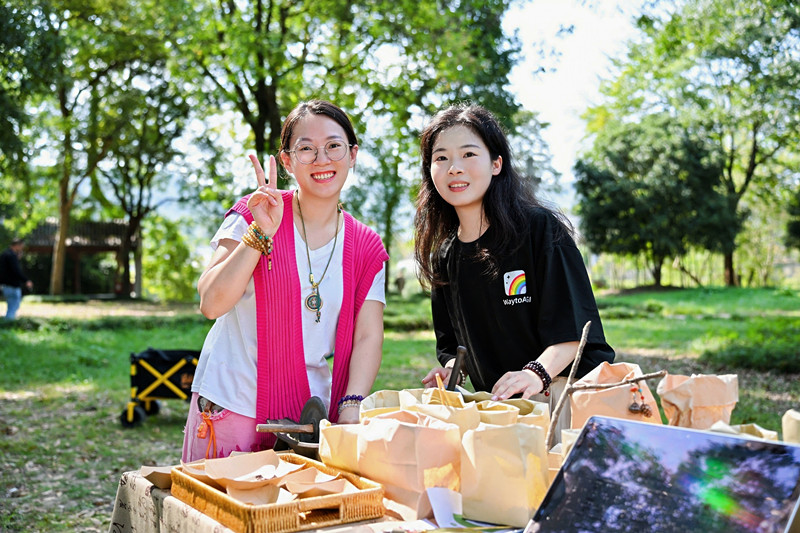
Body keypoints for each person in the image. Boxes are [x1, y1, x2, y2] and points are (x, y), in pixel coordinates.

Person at [182, 100, 389, 462]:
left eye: (334, 146)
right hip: (234, 405)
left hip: (310, 418)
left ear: (353, 154)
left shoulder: (365, 246)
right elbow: (211, 303)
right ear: (288, 161)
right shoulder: (253, 210)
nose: (322, 159)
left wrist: (352, 403)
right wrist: (260, 233)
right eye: (306, 149)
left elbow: (368, 335)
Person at [415, 103, 614, 436]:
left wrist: (534, 374)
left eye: (468, 154)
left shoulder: (539, 230)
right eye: (441, 158)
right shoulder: (445, 256)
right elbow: (453, 347)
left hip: (561, 401)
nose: (454, 168)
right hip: (498, 409)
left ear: (496, 164)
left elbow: (575, 334)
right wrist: (452, 370)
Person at [0, 238, 34, 320]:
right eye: (21, 246)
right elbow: (15, 271)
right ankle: (9, 325)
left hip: (4, 285)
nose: (22, 249)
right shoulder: (11, 256)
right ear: (17, 246)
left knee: (12, 306)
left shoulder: (4, 254)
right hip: (12, 285)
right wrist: (26, 280)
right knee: (13, 307)